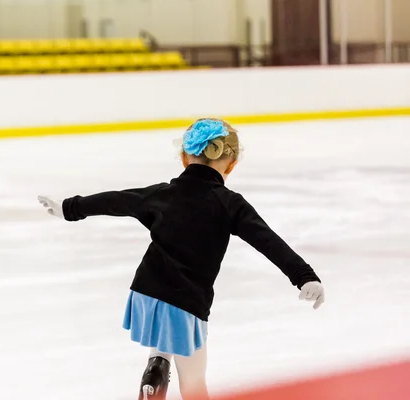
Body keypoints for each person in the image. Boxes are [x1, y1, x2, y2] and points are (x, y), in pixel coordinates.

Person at [37, 118, 325, 400]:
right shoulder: (229, 204)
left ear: (185, 157)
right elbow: (267, 241)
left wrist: (69, 208)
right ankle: (158, 369)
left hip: (146, 293)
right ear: (231, 163)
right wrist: (304, 276)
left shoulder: (162, 194)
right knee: (194, 382)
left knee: (164, 338)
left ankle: (157, 367)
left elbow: (116, 200)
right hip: (186, 300)